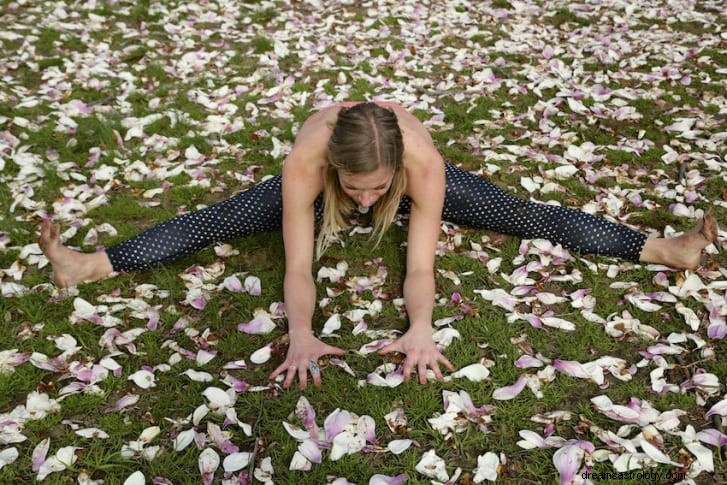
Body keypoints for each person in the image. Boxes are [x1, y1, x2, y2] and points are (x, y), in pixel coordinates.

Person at [39, 101, 718, 390]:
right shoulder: (308, 161)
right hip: (314, 178)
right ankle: (87, 264)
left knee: (518, 213)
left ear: (398, 170)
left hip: (419, 168)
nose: (366, 205)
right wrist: (300, 332)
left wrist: (420, 326)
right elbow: (298, 264)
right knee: (222, 216)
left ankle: (663, 249)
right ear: (334, 169)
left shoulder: (420, 163)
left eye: (377, 190)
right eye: (355, 190)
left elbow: (419, 263)